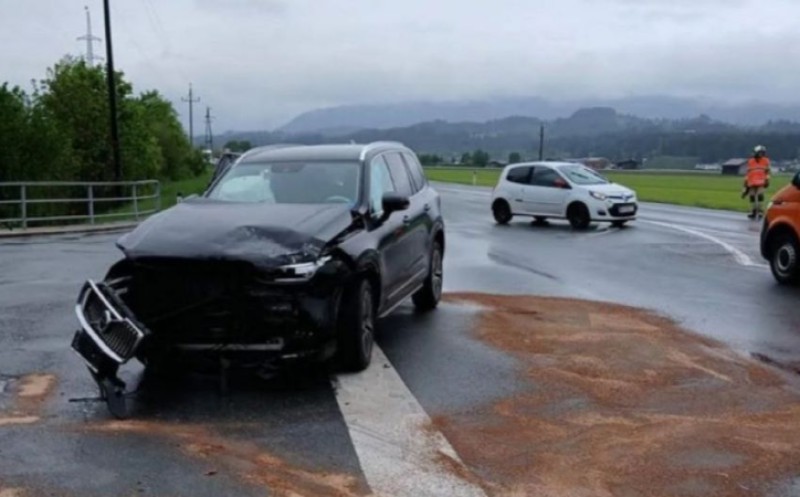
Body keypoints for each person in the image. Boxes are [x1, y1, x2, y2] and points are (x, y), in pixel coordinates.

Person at [743, 145, 771, 219]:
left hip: (761, 181)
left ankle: (760, 211)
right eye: (760, 153)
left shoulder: (765, 160)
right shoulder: (750, 161)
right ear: (756, 153)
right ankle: (754, 211)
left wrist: (767, 180)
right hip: (751, 182)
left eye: (762, 153)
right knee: (751, 196)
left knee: (760, 195)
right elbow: (748, 173)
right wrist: (745, 182)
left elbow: (767, 172)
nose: (761, 154)